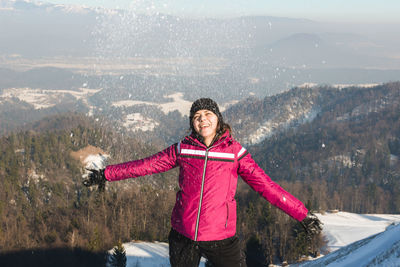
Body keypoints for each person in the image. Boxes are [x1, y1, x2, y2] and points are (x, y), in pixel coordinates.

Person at [83, 98, 322, 267]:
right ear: (192, 124)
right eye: (197, 116)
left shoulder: (234, 153)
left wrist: (302, 214)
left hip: (221, 238)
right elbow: (146, 165)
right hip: (183, 236)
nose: (202, 119)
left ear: (218, 119)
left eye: (208, 114)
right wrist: (105, 174)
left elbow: (266, 187)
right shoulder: (183, 149)